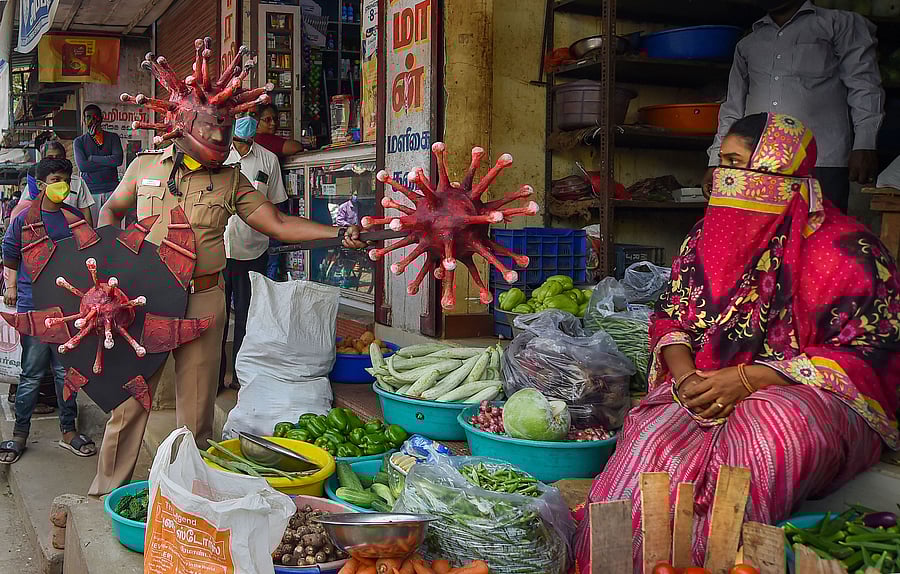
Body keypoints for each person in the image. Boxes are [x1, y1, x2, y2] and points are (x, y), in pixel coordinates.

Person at [575, 113, 900, 573]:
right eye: (721, 162)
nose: (722, 177)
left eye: (735, 162)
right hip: (709, 380)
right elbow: (672, 315)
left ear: (779, 171)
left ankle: (727, 562)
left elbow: (871, 350)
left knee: (765, 427)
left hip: (812, 396)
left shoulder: (847, 251)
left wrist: (751, 379)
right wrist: (686, 377)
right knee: (652, 437)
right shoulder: (708, 237)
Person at [88, 41, 366, 495]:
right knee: (130, 401)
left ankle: (187, 497)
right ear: (181, 124)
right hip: (144, 299)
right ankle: (105, 489)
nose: (220, 137)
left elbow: (276, 222)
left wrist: (337, 233)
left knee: (196, 410)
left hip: (203, 299)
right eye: (210, 127)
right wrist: (113, 254)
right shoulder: (143, 168)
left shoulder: (233, 179)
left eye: (224, 127)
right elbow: (111, 210)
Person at [703, 0, 884, 214]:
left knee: (819, 237)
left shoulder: (838, 24)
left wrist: (865, 143)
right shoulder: (748, 44)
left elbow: (864, 85)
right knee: (760, 241)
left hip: (821, 161)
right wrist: (716, 161)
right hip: (755, 164)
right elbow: (733, 108)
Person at [0, 158, 98, 464]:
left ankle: (68, 431)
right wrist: (12, 286)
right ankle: (19, 435)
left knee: (65, 372)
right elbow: (10, 253)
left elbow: (90, 254)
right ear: (41, 184)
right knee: (31, 374)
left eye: (66, 180)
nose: (63, 186)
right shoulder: (23, 218)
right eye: (56, 179)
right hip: (34, 307)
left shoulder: (73, 218)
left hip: (68, 309)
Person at [219, 116, 289, 391]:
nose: (240, 146)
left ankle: (239, 374)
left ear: (252, 139)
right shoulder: (222, 158)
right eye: (236, 141)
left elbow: (277, 204)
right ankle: (216, 378)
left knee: (247, 317)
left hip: (254, 248)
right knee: (220, 315)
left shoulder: (268, 160)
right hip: (221, 248)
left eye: (244, 142)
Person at [11, 143, 95, 225]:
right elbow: (24, 206)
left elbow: (85, 213)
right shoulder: (34, 184)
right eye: (50, 158)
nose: (55, 160)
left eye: (59, 157)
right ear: (40, 185)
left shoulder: (78, 183)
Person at [73, 104, 123, 225]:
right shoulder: (79, 142)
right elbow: (83, 166)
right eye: (88, 117)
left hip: (112, 190)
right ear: (84, 120)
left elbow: (117, 160)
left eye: (95, 117)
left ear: (101, 118)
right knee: (93, 229)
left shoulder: (112, 138)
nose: (91, 120)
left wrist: (92, 158)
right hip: (90, 192)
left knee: (113, 229)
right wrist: (108, 163)